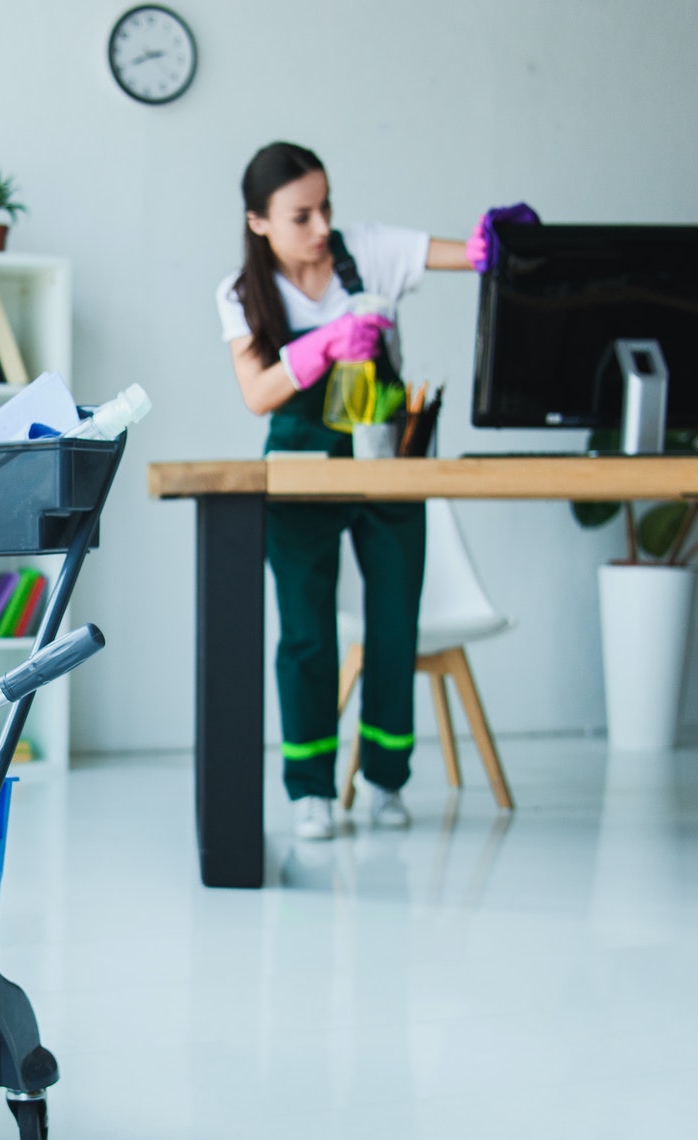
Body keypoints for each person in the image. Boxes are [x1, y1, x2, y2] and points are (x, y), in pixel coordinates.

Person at [216, 140, 522, 840]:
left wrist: (496, 243)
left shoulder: (368, 253)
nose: (321, 226)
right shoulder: (241, 293)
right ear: (259, 221)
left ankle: (386, 777)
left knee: (394, 623)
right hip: (298, 466)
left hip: (388, 459)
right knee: (306, 631)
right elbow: (259, 393)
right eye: (301, 215)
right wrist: (319, 347)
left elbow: (469, 256)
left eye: (326, 206)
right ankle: (310, 788)